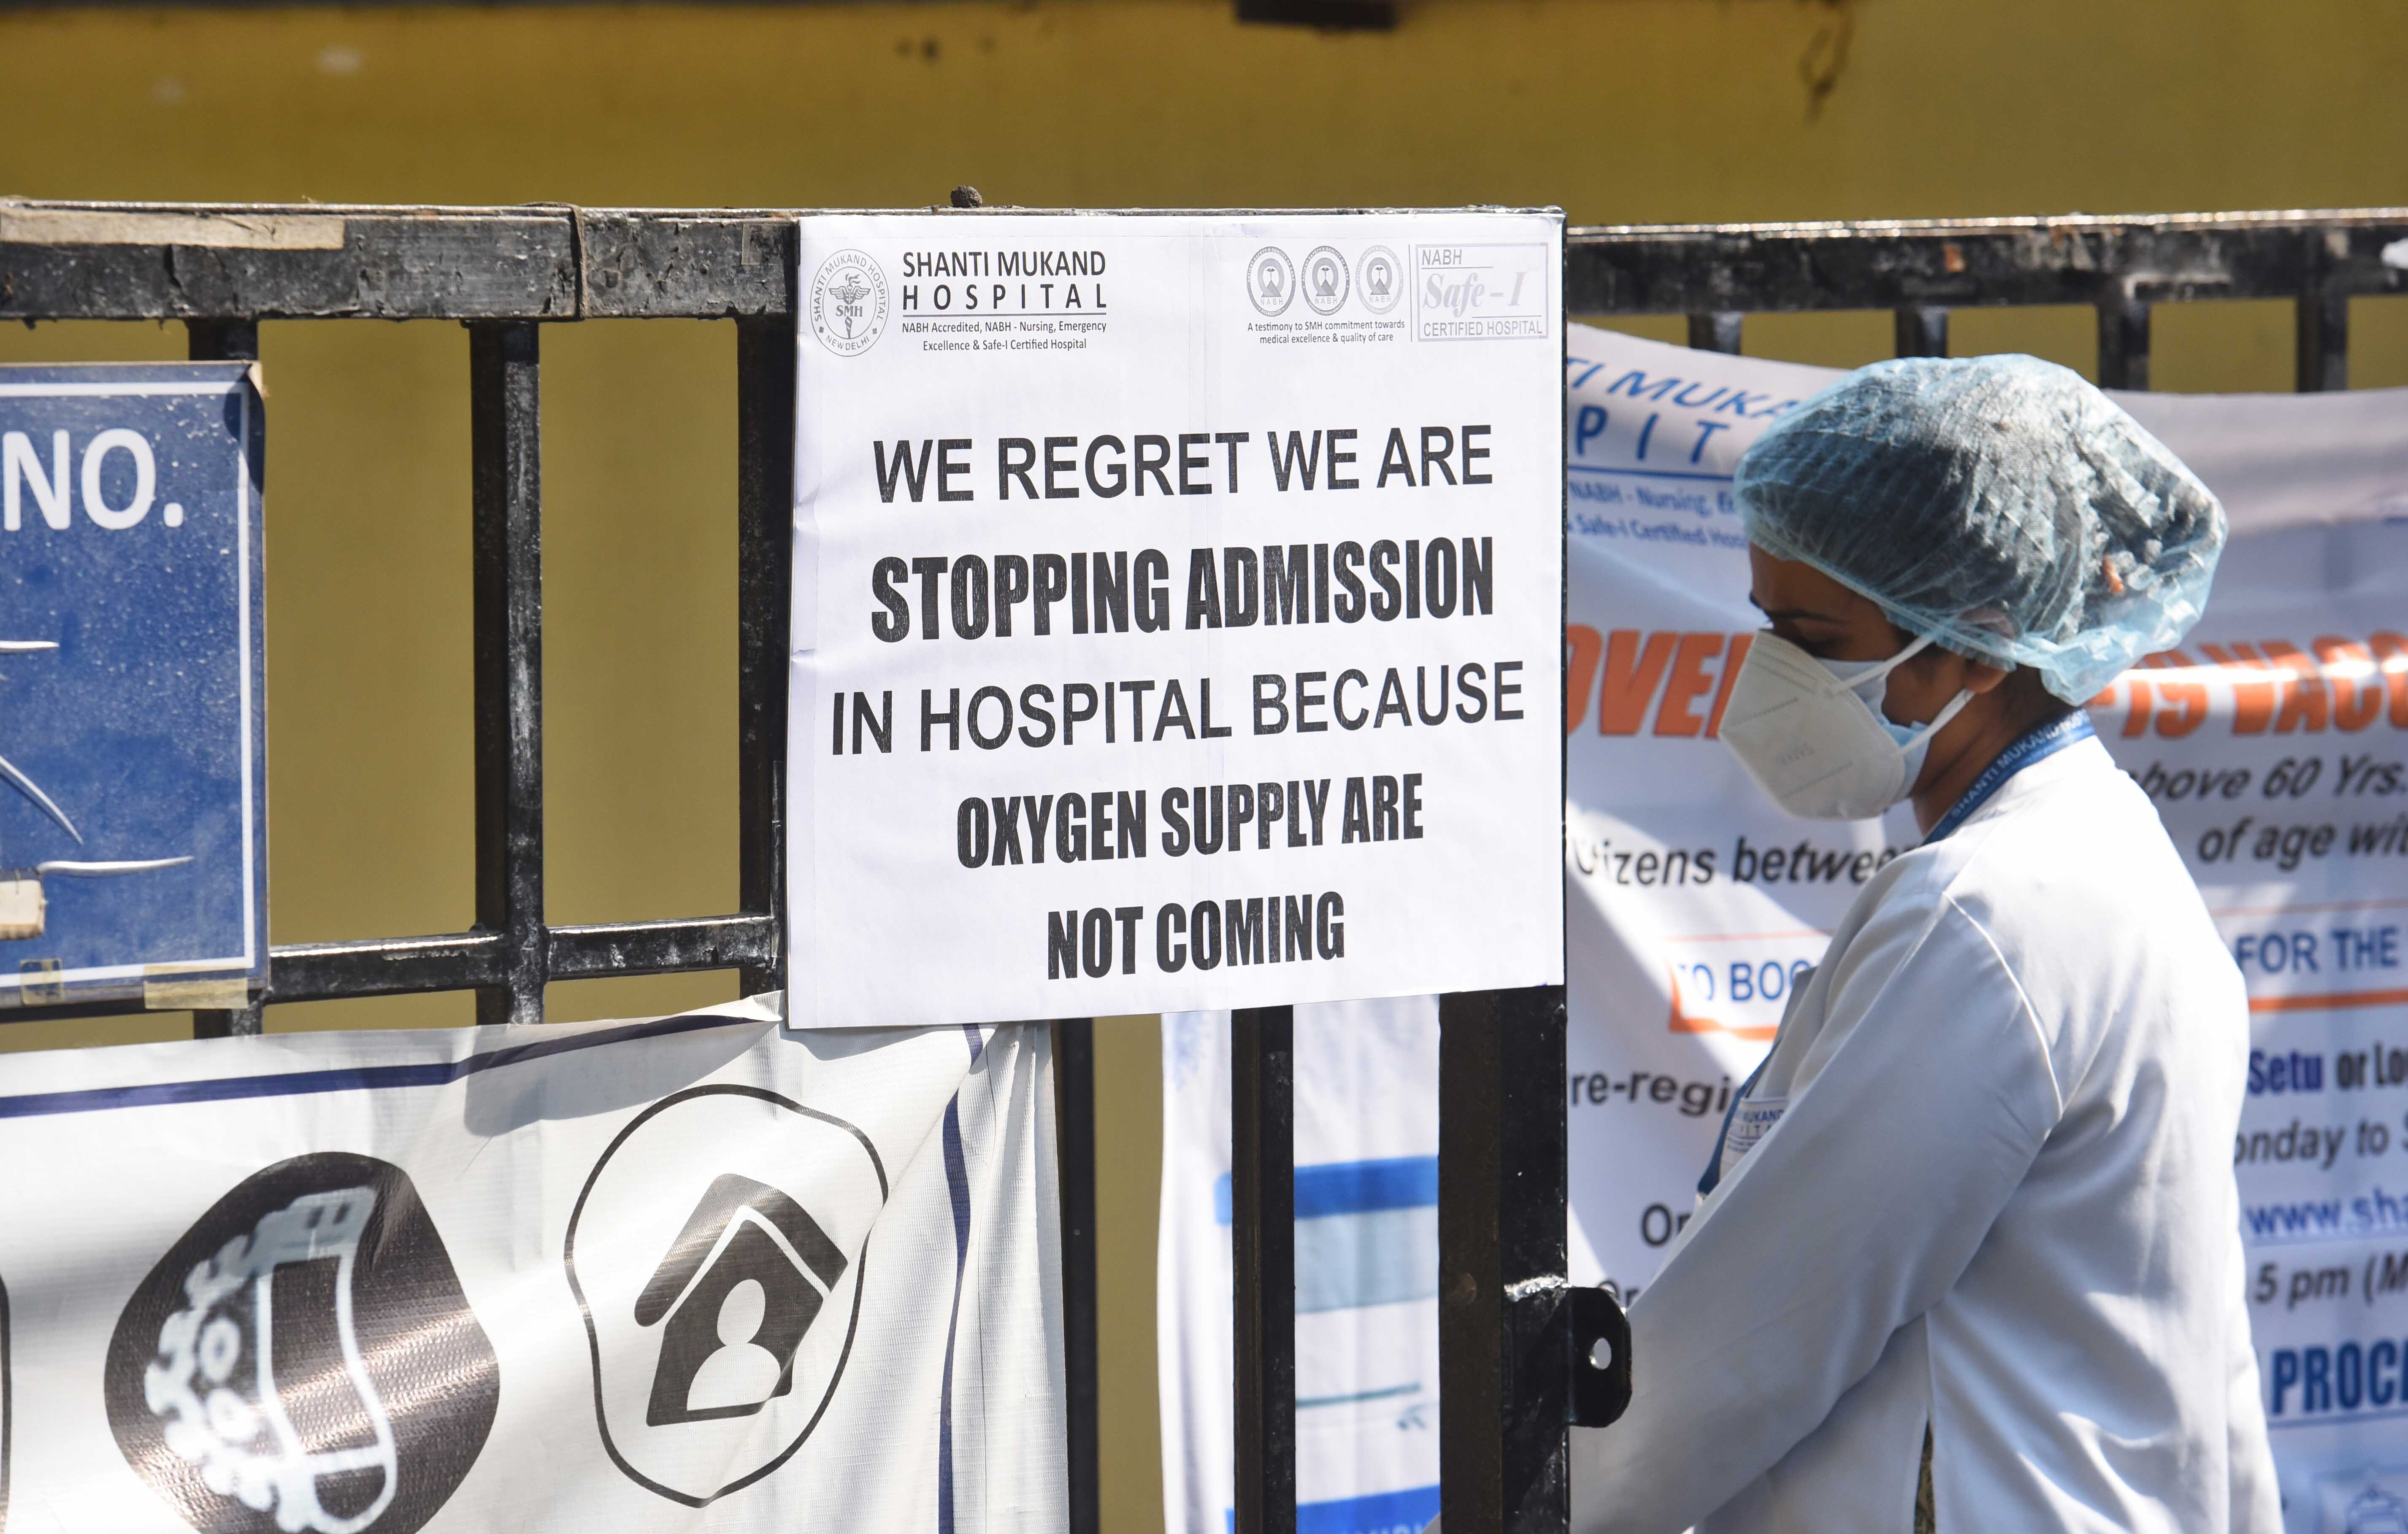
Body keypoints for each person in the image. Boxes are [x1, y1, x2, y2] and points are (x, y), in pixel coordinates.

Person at [1569, 356, 2279, 1533]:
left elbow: (1757, 1337)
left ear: (1981, 645)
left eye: (1810, 635)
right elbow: (2202, 1347)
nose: (1771, 671)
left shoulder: (1984, 913)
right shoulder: (2105, 856)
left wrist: (1531, 1509)